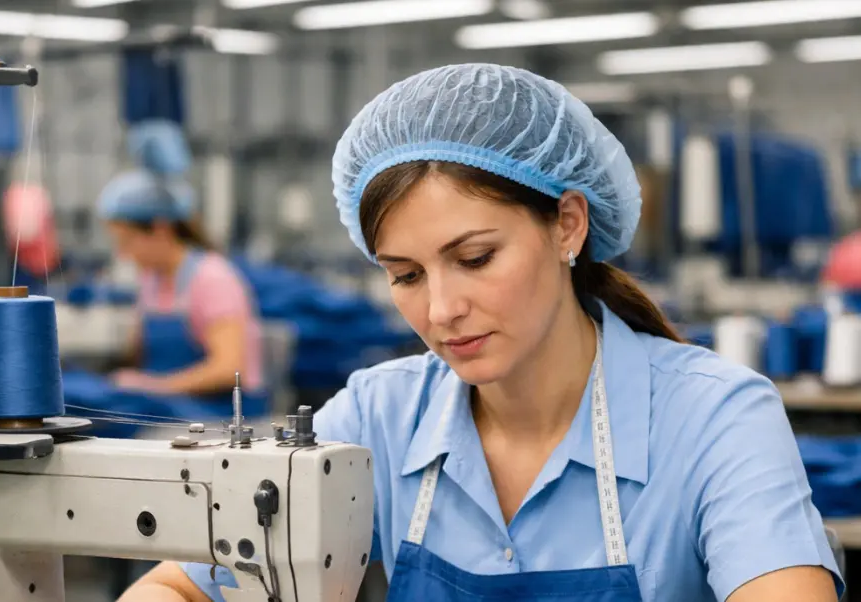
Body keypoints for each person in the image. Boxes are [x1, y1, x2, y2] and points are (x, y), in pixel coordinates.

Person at [117, 64, 843, 602]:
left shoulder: (714, 419)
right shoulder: (378, 416)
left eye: (475, 259)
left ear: (567, 225)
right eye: (406, 275)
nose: (440, 311)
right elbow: (180, 586)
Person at [97, 120, 265, 411]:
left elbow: (229, 369)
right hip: (172, 406)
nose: (123, 254)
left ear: (160, 229)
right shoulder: (153, 280)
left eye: (127, 241)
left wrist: (152, 386)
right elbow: (139, 355)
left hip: (217, 412)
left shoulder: (212, 278)